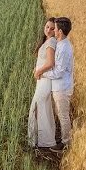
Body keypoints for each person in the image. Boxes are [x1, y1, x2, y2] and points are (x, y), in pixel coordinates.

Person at [38, 17, 73, 149]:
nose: (54, 30)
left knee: (63, 115)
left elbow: (58, 72)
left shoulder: (64, 48)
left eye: (55, 28)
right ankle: (64, 138)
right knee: (61, 113)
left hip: (62, 88)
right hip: (60, 86)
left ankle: (66, 143)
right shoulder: (62, 44)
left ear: (60, 31)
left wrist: (42, 73)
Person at [28, 18, 57, 148]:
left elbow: (51, 63)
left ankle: (43, 141)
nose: (49, 30)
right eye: (47, 27)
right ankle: (44, 139)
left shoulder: (51, 42)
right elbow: (44, 61)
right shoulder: (47, 41)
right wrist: (37, 69)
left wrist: (38, 71)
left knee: (38, 107)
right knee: (42, 107)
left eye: (52, 28)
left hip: (45, 80)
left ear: (56, 30)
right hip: (42, 80)